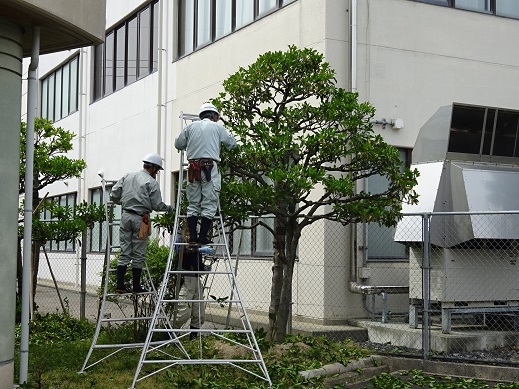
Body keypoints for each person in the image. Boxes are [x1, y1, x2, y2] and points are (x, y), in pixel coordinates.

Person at [110, 152, 173, 294]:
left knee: (125, 250)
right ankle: (136, 286)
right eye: (157, 170)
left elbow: (114, 193)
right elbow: (157, 205)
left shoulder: (128, 176)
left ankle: (120, 285)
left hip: (125, 216)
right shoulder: (151, 182)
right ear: (153, 167)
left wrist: (123, 201)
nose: (156, 172)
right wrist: (168, 209)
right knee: (138, 252)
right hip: (141, 219)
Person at [174, 102, 237, 246]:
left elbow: (178, 144)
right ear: (214, 116)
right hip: (209, 167)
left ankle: (193, 237)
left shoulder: (190, 127)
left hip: (193, 168)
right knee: (209, 202)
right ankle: (202, 237)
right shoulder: (217, 127)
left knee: (193, 203)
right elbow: (231, 145)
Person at [174, 224, 210, 339]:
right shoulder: (180, 241)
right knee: (183, 313)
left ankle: (193, 338)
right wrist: (198, 249)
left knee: (199, 312)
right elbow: (182, 252)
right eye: (189, 233)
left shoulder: (196, 244)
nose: (190, 236)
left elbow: (196, 261)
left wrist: (203, 267)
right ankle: (170, 335)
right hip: (185, 279)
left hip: (196, 278)